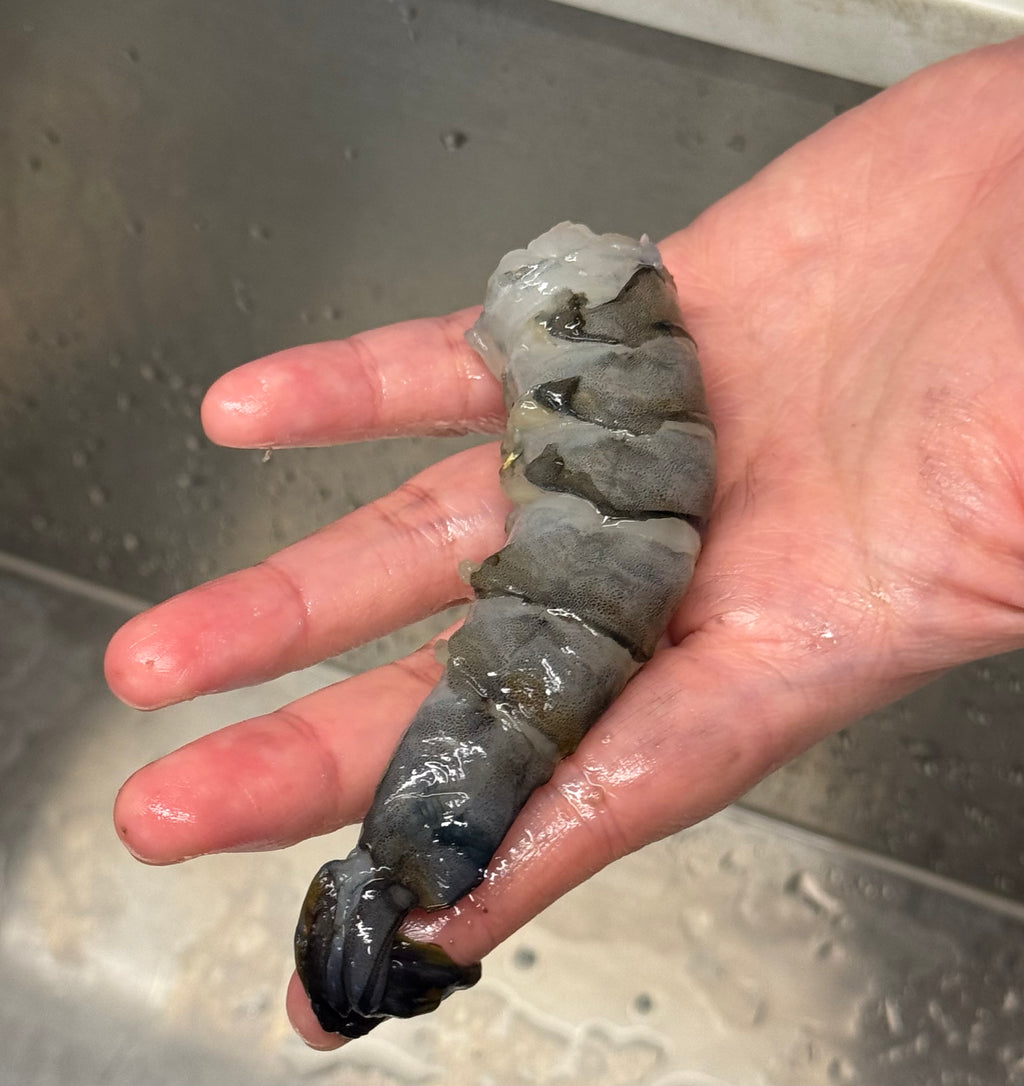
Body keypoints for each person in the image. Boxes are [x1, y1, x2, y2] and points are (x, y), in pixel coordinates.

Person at [104, 38, 1024, 1047]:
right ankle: (401, 870)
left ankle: (403, 869)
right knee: (540, 656)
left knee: (539, 658)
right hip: (589, 349)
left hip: (592, 355)